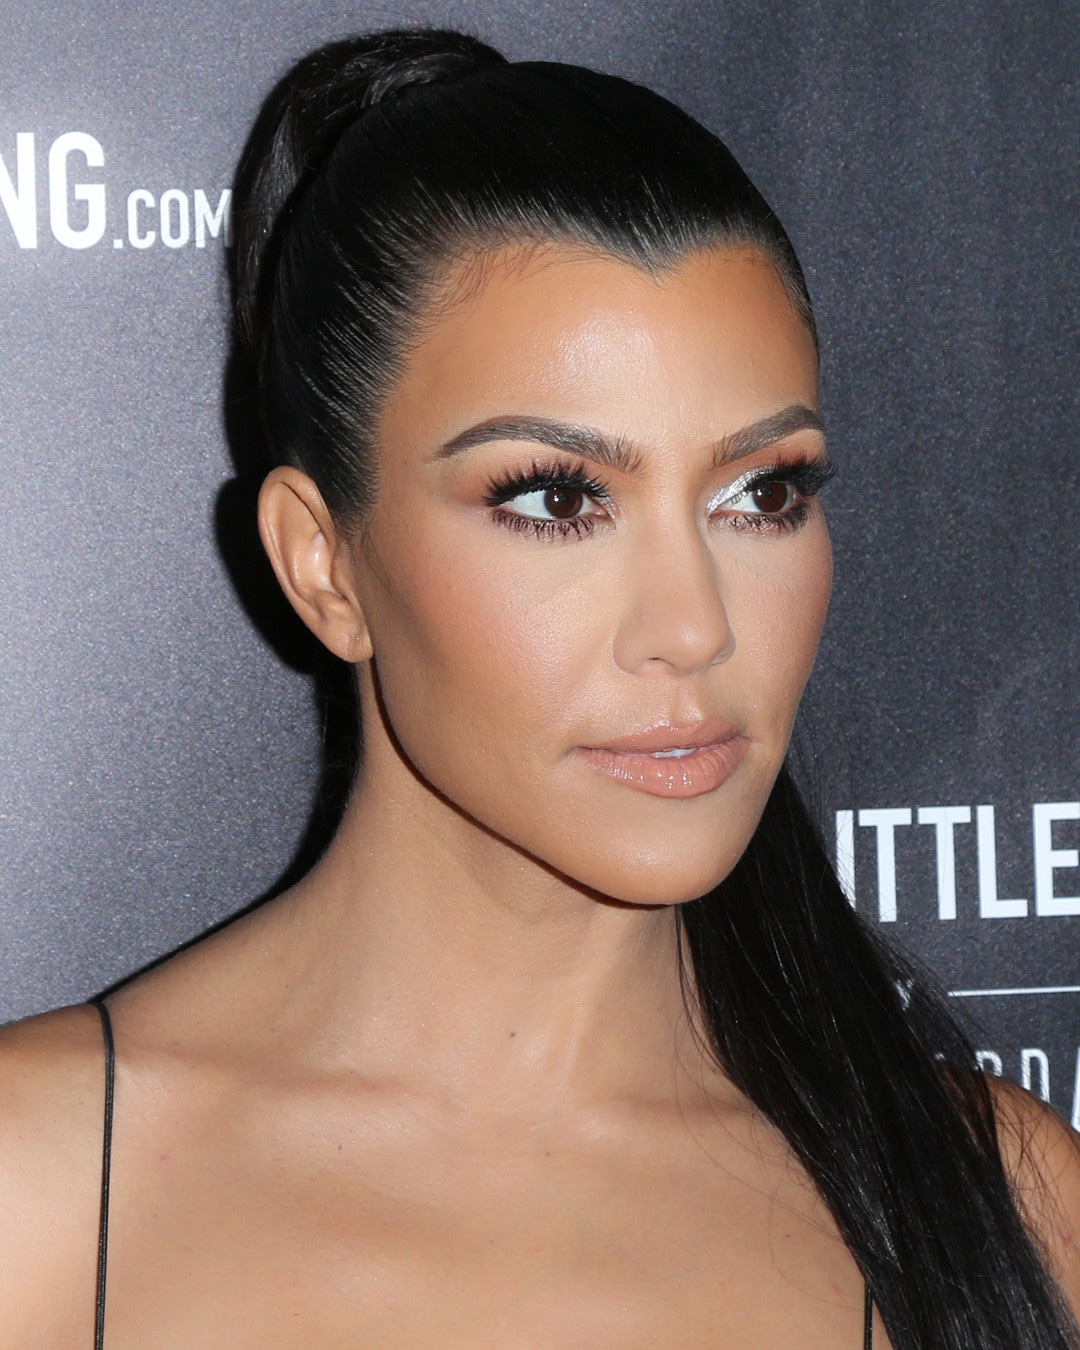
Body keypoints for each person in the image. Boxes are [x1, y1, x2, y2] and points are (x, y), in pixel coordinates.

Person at [0, 27, 1076, 1349]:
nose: (692, 626)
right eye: (560, 500)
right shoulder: (38, 1188)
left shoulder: (1010, 1207)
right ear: (324, 563)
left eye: (762, 493)